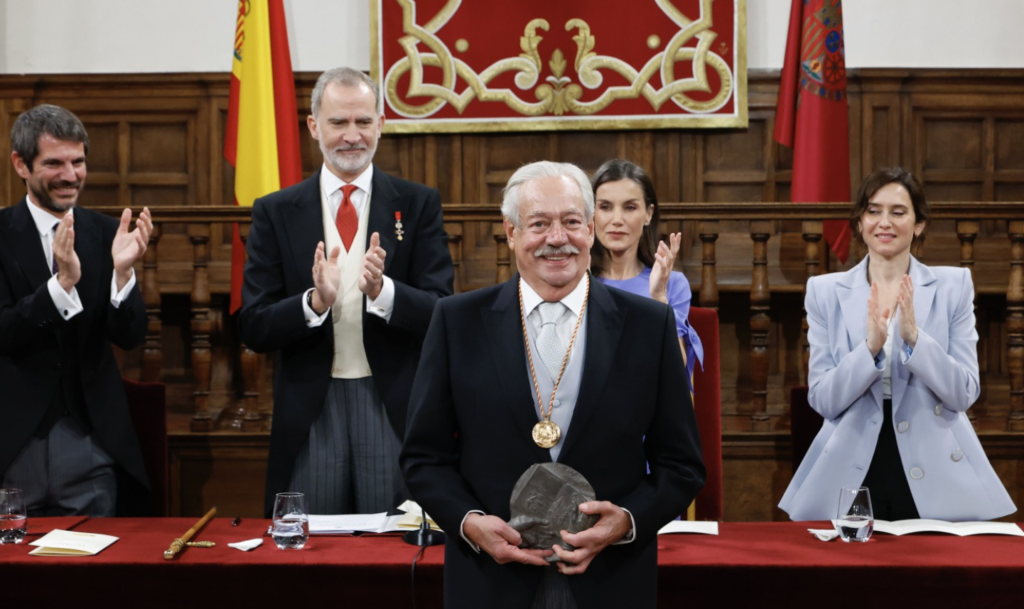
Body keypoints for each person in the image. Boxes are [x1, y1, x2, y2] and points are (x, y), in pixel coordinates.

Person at [401, 161, 705, 609]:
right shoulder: (456, 322)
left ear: (590, 228)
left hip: (610, 579)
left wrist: (626, 521)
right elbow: (423, 458)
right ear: (511, 232)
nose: (557, 239)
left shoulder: (648, 325)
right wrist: (468, 523)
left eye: (571, 222)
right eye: (539, 224)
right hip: (490, 581)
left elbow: (681, 465)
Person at [237, 67, 454, 516]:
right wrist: (313, 303)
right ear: (314, 127)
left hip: (390, 401)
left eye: (363, 122)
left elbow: (441, 310)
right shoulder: (276, 211)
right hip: (311, 407)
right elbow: (253, 325)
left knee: (395, 552)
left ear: (381, 124)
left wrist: (384, 291)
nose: (352, 136)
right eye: (338, 123)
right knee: (312, 556)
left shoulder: (417, 204)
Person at [780, 167, 1015, 521]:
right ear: (859, 223)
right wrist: (869, 349)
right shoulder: (825, 291)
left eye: (898, 212)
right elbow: (823, 400)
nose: (884, 222)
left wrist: (915, 340)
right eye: (873, 211)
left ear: (919, 224)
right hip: (853, 461)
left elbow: (964, 393)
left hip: (935, 460)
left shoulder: (954, 286)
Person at [0, 104, 153, 516]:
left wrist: (123, 275)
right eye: (54, 163)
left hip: (91, 449)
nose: (70, 176)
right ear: (21, 164)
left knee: (95, 577)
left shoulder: (108, 233)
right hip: (11, 451)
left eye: (78, 161)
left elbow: (130, 335)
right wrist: (60, 286)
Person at [590, 159, 703, 393]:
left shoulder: (672, 283)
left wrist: (659, 297)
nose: (617, 219)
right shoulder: (577, 283)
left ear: (649, 214)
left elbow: (676, 369)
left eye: (629, 207)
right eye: (605, 207)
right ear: (591, 214)